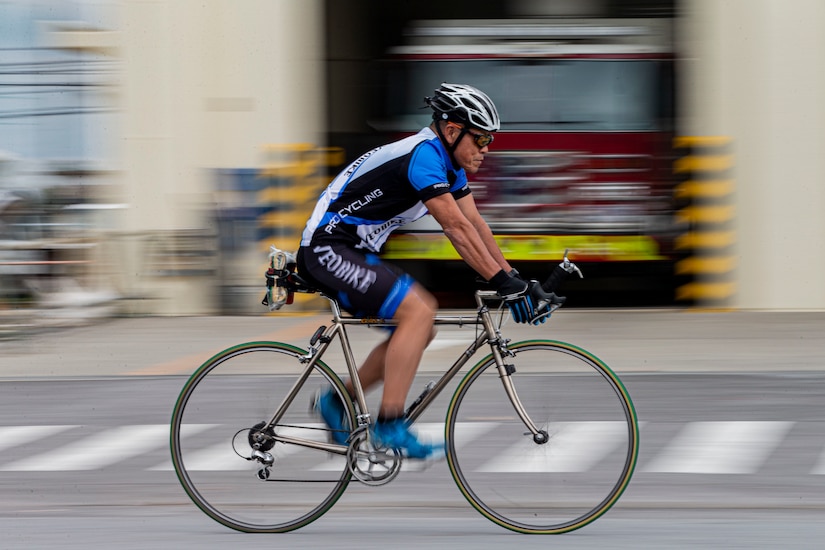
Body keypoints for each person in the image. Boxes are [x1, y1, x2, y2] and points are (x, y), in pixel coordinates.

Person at [297, 83, 548, 458]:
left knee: (419, 327)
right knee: (419, 310)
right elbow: (455, 230)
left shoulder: (448, 163)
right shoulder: (423, 156)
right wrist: (502, 283)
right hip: (327, 248)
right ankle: (389, 425)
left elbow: (476, 225)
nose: (486, 149)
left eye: (489, 141)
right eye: (480, 140)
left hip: (352, 249)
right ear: (451, 131)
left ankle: (339, 401)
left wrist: (515, 280)